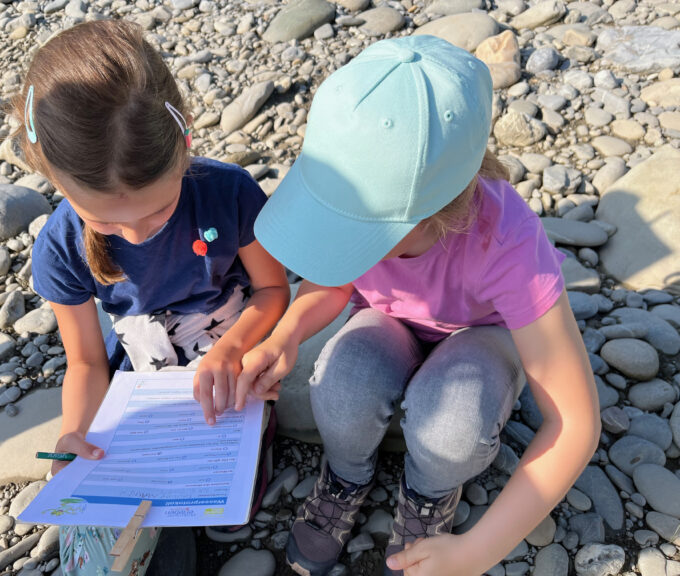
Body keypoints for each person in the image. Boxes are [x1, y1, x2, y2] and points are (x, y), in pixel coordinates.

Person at [238, 35, 600, 576]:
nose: (336, 239)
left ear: (432, 213)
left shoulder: (507, 244)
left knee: (451, 428)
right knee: (339, 386)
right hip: (391, 319)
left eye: (354, 231)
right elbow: (333, 279)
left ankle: (429, 494)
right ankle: (346, 475)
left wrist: (479, 550)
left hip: (484, 333)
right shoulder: (363, 185)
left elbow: (575, 422)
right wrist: (287, 333)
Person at [12, 19, 290, 576]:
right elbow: (87, 362)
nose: (136, 233)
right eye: (106, 220)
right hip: (141, 390)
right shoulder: (61, 246)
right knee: (100, 548)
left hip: (234, 370)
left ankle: (245, 458)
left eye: (157, 211)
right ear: (55, 181)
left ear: (185, 142)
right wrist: (77, 433)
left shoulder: (228, 192)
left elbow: (273, 289)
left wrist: (233, 348)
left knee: (220, 491)